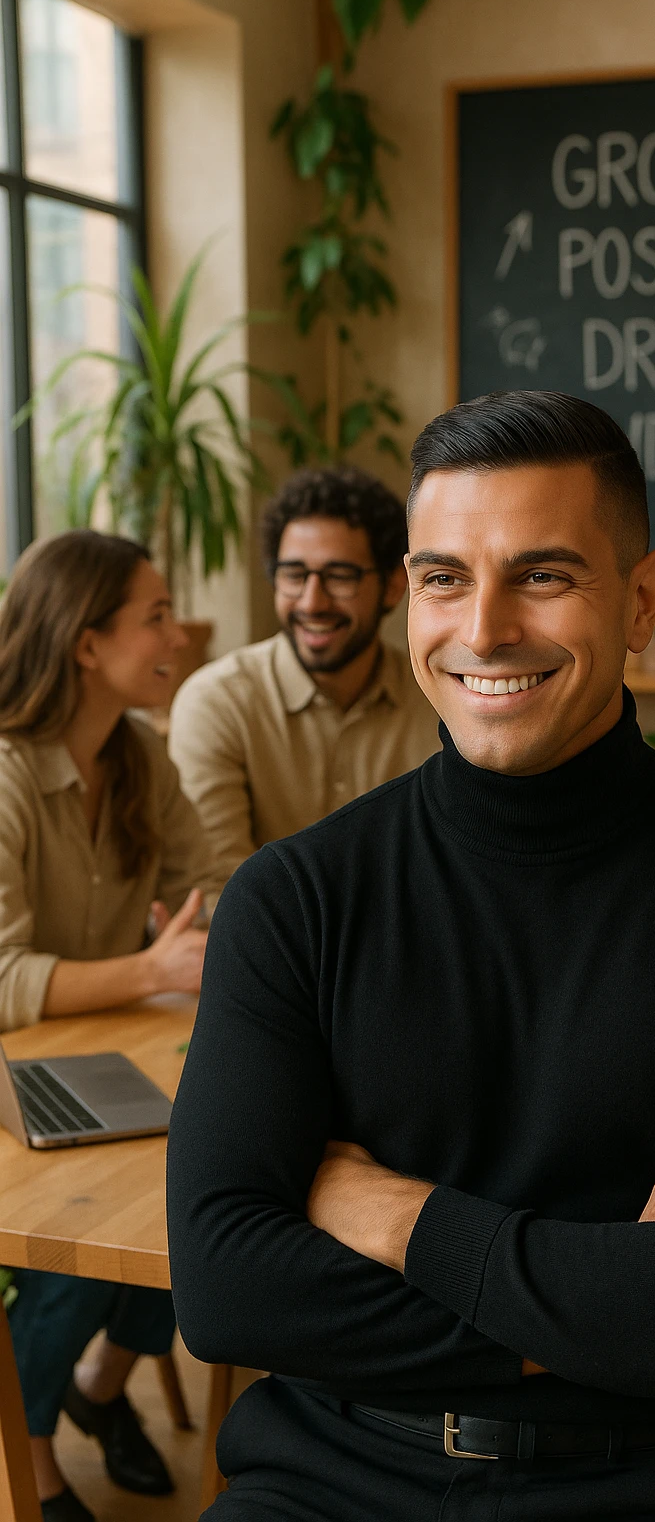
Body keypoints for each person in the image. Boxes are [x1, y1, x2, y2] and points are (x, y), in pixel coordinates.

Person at [167, 391, 655, 1522]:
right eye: (445, 578)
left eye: (543, 576)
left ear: (642, 598)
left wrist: (396, 1219)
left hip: (638, 1487)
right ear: (411, 596)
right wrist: (624, 1279)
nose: (486, 628)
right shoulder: (295, 899)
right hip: (320, 1483)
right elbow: (224, 1292)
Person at [0, 531, 215, 1522]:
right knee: (81, 1236)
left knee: (208, 1194)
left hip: (103, 1056)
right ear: (88, 646)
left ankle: (96, 1391)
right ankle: (31, 1450)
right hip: (14, 1079)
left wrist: (195, 942)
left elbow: (202, 896)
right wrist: (151, 966)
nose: (180, 632)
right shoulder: (4, 774)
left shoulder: (139, 758)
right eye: (157, 615)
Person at [168, 465, 440, 897]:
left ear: (392, 586)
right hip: (270, 955)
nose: (312, 602)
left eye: (339, 577)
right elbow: (220, 887)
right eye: (294, 575)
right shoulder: (218, 702)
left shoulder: (441, 697)